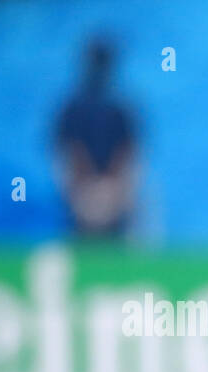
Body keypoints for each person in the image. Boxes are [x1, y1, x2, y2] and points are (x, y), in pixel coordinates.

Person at [54, 38, 138, 239]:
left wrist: (113, 188)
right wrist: (88, 187)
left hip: (112, 189)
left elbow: (127, 153)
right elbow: (69, 153)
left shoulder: (119, 109)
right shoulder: (73, 109)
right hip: (82, 189)